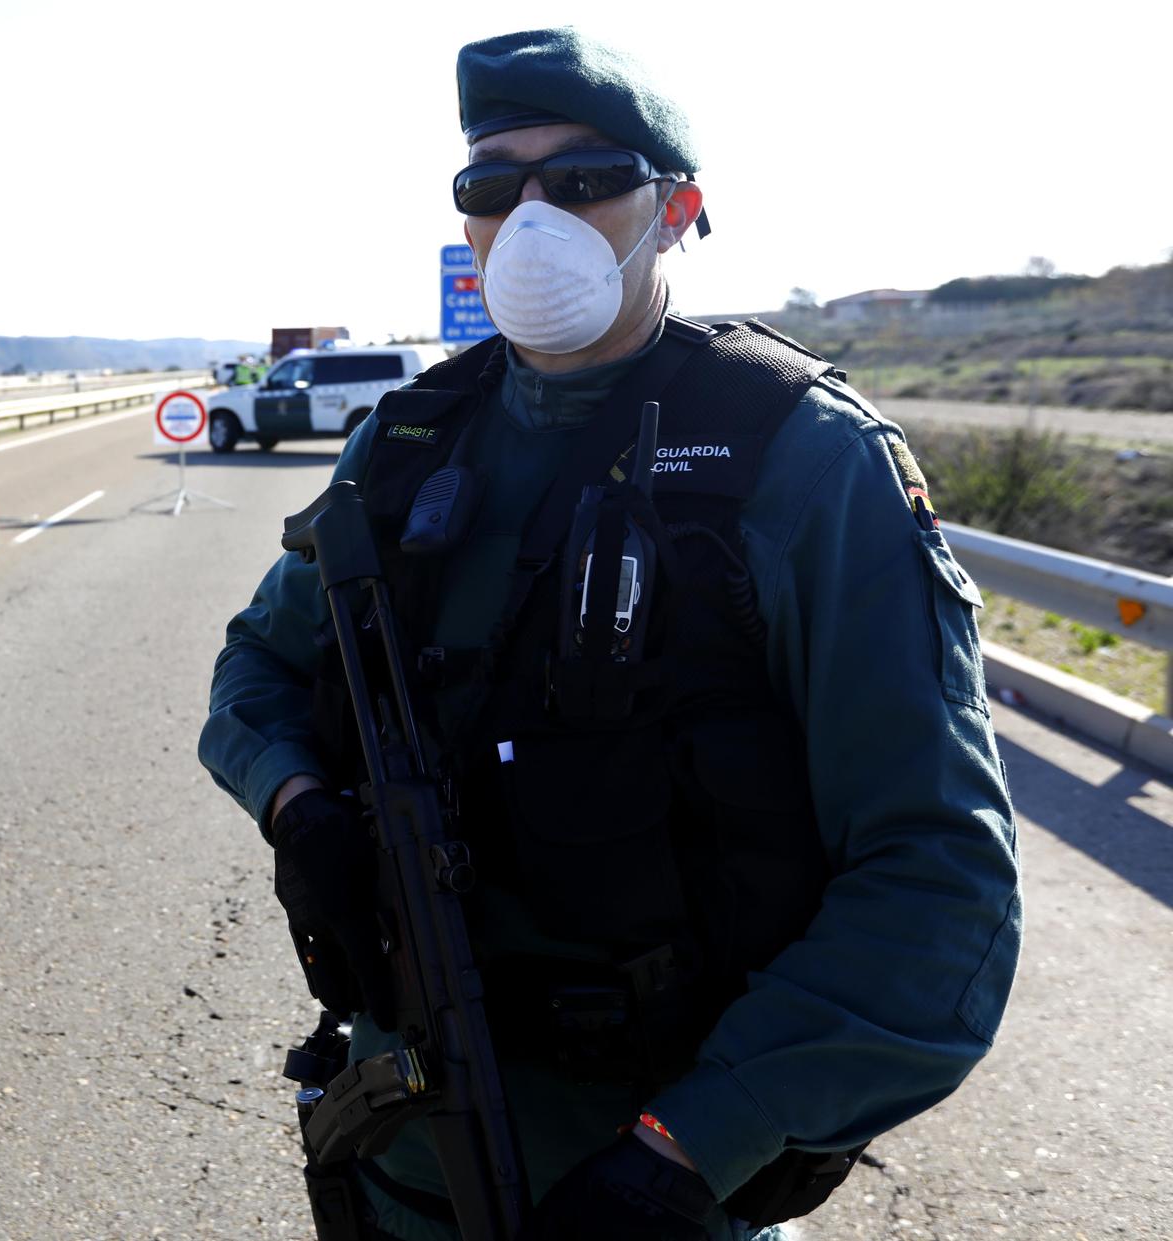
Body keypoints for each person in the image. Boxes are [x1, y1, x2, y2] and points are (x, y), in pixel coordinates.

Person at [198, 26, 1020, 1241]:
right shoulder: (409, 440)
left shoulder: (796, 458)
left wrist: (686, 1152)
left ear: (676, 206)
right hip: (406, 1156)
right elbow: (256, 668)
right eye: (491, 188)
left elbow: (937, 882)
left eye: (581, 181)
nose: (531, 218)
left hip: (656, 1185)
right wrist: (293, 800)